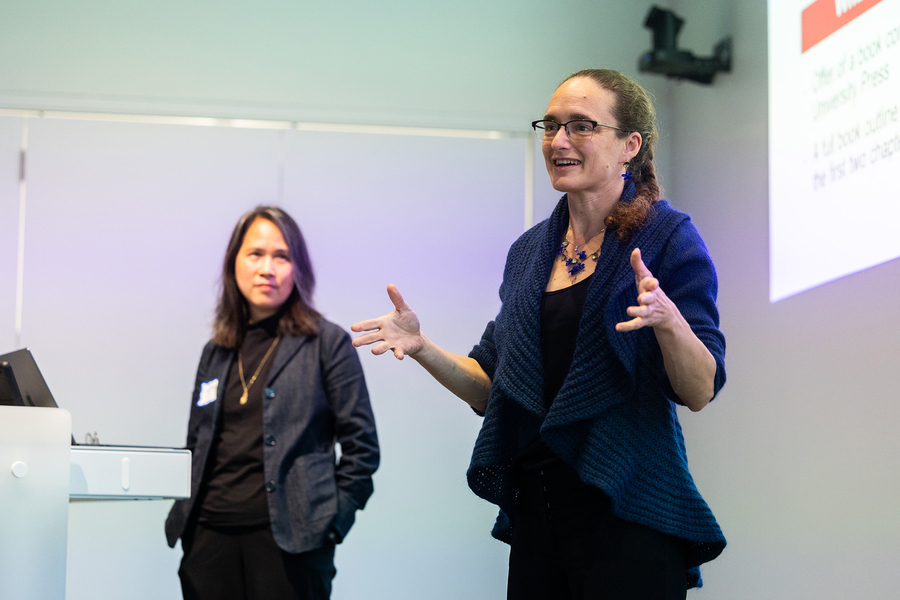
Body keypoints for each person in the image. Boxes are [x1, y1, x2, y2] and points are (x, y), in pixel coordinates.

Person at [351, 69, 726, 599]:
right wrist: (421, 348)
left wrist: (669, 321)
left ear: (629, 146)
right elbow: (492, 386)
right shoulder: (529, 252)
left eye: (581, 126)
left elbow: (700, 389)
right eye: (550, 126)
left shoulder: (668, 237)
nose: (559, 141)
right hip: (539, 513)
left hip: (628, 509)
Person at [166, 206, 379, 600]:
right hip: (208, 540)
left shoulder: (326, 344)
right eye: (256, 254)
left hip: (291, 544)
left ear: (298, 268)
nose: (268, 268)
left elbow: (362, 450)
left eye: (282, 256)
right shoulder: (215, 351)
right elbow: (196, 444)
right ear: (234, 263)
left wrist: (331, 523)